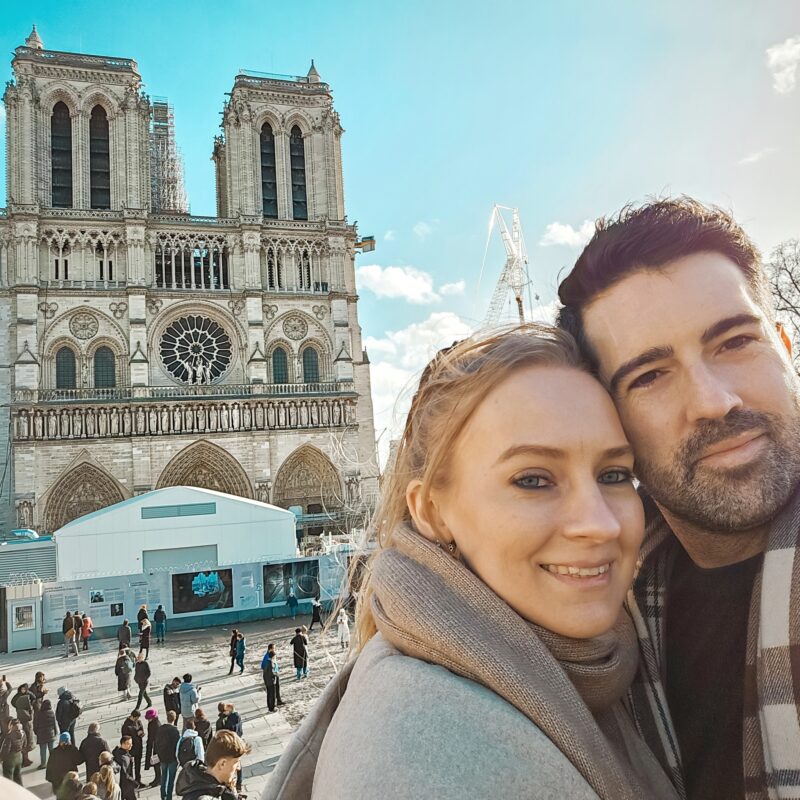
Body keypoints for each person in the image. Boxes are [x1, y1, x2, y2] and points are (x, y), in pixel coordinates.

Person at [265, 326, 681, 799]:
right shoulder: (420, 762)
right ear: (432, 512)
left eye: (614, 474)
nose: (600, 524)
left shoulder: (599, 671)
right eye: (533, 480)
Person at [555, 197, 800, 799]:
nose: (714, 400)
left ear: (788, 349)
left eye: (736, 341)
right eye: (651, 376)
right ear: (609, 423)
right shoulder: (603, 619)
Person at [174, 730, 250, 800]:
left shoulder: (207, 785)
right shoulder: (205, 796)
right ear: (222, 764)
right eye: (236, 762)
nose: (238, 767)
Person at [46, 732, 83, 796]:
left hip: (57, 781)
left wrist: (49, 778)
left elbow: (50, 766)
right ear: (69, 740)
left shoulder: (54, 752)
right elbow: (79, 761)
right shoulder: (72, 749)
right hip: (70, 779)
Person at [155, 710, 180, 800]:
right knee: (171, 779)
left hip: (163, 757)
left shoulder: (161, 728)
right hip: (172, 758)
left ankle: (163, 795)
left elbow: (156, 742)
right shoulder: (175, 730)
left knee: (164, 777)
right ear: (175, 718)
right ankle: (169, 797)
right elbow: (177, 745)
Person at [11, 683, 34, 767]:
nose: (23, 690)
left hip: (25, 722)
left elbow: (33, 697)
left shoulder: (27, 696)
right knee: (25, 741)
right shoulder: (19, 698)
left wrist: (28, 692)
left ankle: (25, 759)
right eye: (22, 689)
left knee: (26, 741)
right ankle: (24, 760)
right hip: (24, 723)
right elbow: (13, 702)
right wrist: (18, 705)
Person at [121, 710, 144, 788]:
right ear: (133, 716)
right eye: (136, 718)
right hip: (131, 748)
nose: (137, 720)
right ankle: (132, 782)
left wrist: (141, 733)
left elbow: (141, 728)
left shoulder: (138, 722)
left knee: (138, 765)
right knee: (130, 766)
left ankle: (138, 780)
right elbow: (125, 738)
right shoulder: (126, 726)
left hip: (139, 746)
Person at [34, 697, 57, 769]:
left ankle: (43, 764)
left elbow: (35, 724)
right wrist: (55, 732)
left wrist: (36, 732)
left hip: (41, 734)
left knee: (43, 750)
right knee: (51, 750)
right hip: (51, 733)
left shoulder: (39, 713)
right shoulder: (51, 712)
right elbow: (54, 723)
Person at [1, 718, 25, 784]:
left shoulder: (9, 736)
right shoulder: (23, 733)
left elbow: (6, 750)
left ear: (11, 725)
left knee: (8, 777)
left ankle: (10, 792)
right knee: (18, 775)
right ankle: (21, 790)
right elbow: (25, 744)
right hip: (19, 756)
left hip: (10, 759)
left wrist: (1, 759)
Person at [260, 644, 283, 713]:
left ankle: (275, 703)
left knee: (271, 693)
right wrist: (276, 674)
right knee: (271, 694)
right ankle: (271, 708)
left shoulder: (271, 659)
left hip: (270, 679)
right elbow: (269, 671)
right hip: (271, 680)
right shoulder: (268, 660)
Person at [144, 708, 161, 789]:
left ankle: (159, 779)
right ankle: (157, 778)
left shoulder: (156, 724)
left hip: (157, 747)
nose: (148, 720)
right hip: (155, 746)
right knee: (155, 763)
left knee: (156, 763)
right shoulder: (152, 723)